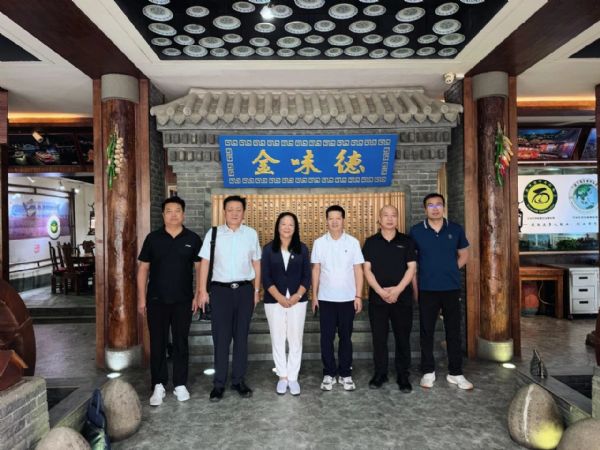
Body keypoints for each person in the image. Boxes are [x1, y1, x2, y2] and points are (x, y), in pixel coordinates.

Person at [137, 196, 202, 406]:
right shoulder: (153, 238)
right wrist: (141, 299)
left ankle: (180, 383)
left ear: (183, 214)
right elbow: (143, 269)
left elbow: (200, 268)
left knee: (181, 342)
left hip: (184, 300)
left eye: (177, 211)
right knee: (158, 342)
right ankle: (158, 384)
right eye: (169, 211)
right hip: (156, 299)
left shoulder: (192, 238)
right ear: (163, 215)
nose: (173, 215)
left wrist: (198, 293)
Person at [195, 195, 261, 402]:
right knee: (221, 339)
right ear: (224, 212)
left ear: (243, 212)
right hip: (220, 292)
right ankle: (219, 384)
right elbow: (204, 263)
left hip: (244, 291)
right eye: (230, 209)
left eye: (238, 209)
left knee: (241, 337)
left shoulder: (251, 234)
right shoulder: (213, 233)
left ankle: (238, 380)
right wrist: (202, 291)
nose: (234, 213)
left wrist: (256, 290)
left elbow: (256, 263)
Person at [409, 193, 473, 390]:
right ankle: (428, 371)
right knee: (426, 331)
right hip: (427, 288)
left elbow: (464, 254)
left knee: (453, 331)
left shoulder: (455, 229)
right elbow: (412, 263)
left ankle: (456, 372)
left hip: (451, 288)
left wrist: (450, 269)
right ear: (425, 209)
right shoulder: (416, 231)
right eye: (430, 205)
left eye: (438, 204)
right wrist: (416, 289)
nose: (435, 208)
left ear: (443, 207)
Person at [362, 205, 417, 393]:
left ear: (397, 218)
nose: (390, 218)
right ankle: (380, 373)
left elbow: (411, 268)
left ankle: (403, 375)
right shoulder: (371, 242)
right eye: (385, 215)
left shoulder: (407, 241)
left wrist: (397, 290)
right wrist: (380, 291)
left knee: (403, 338)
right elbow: (367, 270)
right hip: (378, 299)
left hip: (402, 298)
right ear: (379, 219)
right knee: (379, 338)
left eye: (393, 215)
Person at [311, 205, 364, 391]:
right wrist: (314, 296)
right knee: (326, 338)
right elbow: (316, 270)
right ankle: (329, 373)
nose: (334, 222)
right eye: (331, 218)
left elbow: (358, 270)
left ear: (343, 220)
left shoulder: (353, 242)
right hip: (325, 299)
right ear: (326, 220)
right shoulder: (319, 243)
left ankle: (345, 373)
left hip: (348, 298)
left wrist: (358, 295)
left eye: (338, 218)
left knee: (345, 338)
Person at [261, 212, 311, 396]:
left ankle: (293, 377)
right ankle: (282, 376)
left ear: (295, 228)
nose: (287, 227)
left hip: (298, 300)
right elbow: (265, 277)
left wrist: (298, 295)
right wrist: (279, 297)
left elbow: (307, 276)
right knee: (278, 338)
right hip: (274, 301)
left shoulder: (302, 249)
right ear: (278, 226)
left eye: (291, 224)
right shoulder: (268, 249)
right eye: (284, 224)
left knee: (295, 338)